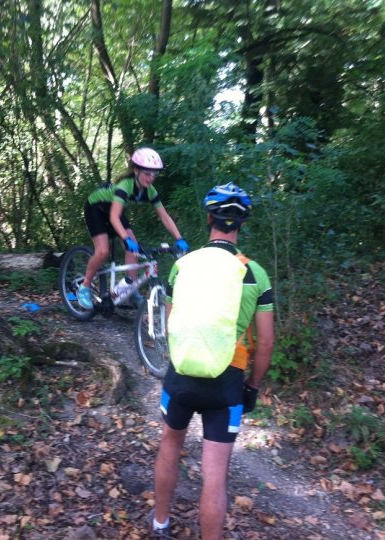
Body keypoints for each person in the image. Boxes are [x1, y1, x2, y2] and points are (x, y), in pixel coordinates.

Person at [151, 182, 275, 539]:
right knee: (215, 474)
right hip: (227, 382)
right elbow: (265, 342)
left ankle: (160, 524)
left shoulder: (183, 266)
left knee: (169, 445)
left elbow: (172, 324)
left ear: (209, 218)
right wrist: (252, 386)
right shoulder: (255, 274)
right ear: (241, 224)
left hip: (181, 376)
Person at [77, 147, 189, 309]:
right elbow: (113, 217)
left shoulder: (150, 191)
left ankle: (129, 290)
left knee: (134, 250)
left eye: (154, 174)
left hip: (115, 209)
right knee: (102, 251)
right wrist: (126, 239)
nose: (151, 178)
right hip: (96, 207)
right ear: (136, 170)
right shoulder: (125, 186)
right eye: (147, 173)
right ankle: (85, 285)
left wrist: (179, 238)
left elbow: (164, 216)